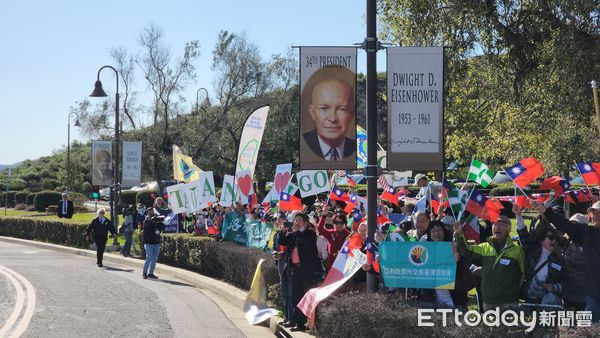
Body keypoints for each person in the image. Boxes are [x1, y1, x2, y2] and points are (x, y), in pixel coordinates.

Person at [534, 200, 600, 321]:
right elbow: (566, 225)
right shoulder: (587, 233)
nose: (595, 215)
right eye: (593, 212)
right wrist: (546, 211)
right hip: (593, 296)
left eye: (598, 212)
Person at [453, 215, 525, 311]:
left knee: (508, 326)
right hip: (488, 302)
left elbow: (522, 275)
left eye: (501, 225)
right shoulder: (484, 247)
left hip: (509, 302)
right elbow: (466, 252)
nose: (497, 227)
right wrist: (459, 234)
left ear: (509, 228)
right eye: (494, 224)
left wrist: (511, 290)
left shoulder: (517, 251)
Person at [515, 205, 567, 306]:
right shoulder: (532, 251)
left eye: (556, 238)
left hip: (548, 303)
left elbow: (566, 283)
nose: (554, 240)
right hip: (529, 299)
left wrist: (554, 287)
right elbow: (523, 233)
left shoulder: (559, 260)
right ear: (542, 239)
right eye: (551, 238)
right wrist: (518, 215)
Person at [301, 68, 356, 164]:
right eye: (324, 108)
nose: (332, 118)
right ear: (312, 112)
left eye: (341, 109)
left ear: (351, 113)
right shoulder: (304, 146)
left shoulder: (358, 149)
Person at [278, 212, 321, 332]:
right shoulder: (294, 234)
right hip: (295, 269)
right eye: (295, 220)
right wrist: (283, 230)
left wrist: (299, 231)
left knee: (305, 296)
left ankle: (309, 323)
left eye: (299, 221)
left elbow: (308, 243)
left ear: (305, 223)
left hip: (307, 270)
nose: (296, 223)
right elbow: (283, 241)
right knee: (295, 296)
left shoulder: (310, 234)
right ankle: (298, 322)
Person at [272, 214, 293, 327]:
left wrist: (282, 254)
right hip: (281, 266)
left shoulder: (293, 234)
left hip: (289, 266)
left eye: (280, 220)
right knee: (284, 293)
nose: (277, 222)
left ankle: (291, 318)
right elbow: (274, 248)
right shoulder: (277, 234)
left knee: (290, 293)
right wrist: (275, 253)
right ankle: (285, 317)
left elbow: (291, 249)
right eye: (276, 220)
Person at [143, 207, 165, 279]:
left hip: (156, 242)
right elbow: (147, 228)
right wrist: (152, 220)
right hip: (148, 243)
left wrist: (158, 221)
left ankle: (151, 273)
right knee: (149, 257)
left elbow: (163, 227)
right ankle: (144, 273)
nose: (152, 213)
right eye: (150, 212)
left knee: (154, 259)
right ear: (148, 213)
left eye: (153, 211)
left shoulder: (156, 221)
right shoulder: (146, 221)